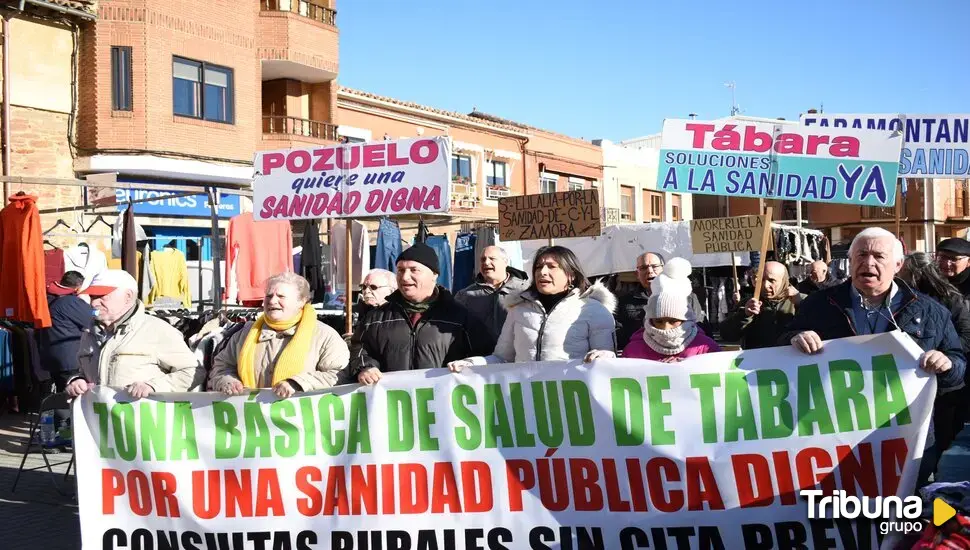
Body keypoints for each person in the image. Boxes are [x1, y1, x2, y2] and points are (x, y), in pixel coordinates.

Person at [783, 228, 966, 486]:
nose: (868, 263)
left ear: (898, 265)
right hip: (835, 443)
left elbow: (957, 367)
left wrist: (947, 364)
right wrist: (795, 338)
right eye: (861, 255)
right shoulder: (819, 304)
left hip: (905, 444)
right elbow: (781, 345)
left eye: (879, 256)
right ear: (850, 260)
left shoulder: (929, 311)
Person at [448, 246, 616, 370]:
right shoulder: (518, 309)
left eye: (551, 266)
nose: (542, 272)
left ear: (570, 274)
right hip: (526, 401)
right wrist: (471, 364)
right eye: (538, 267)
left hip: (571, 401)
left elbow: (604, 363)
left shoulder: (593, 310)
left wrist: (605, 356)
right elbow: (502, 358)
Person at [350, 243, 495, 385]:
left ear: (434, 275)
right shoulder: (376, 318)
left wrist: (467, 366)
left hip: (442, 403)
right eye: (400, 270)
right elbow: (360, 349)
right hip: (394, 404)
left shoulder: (461, 318)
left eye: (414, 270)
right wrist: (365, 368)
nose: (405, 277)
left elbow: (486, 357)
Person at [66, 270, 204, 398]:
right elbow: (83, 372)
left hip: (144, 422)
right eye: (92, 296)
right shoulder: (89, 332)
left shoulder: (157, 330)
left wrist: (154, 386)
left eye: (102, 296)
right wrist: (77, 381)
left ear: (128, 297)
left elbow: (193, 371)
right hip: (101, 422)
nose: (94, 303)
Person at [209, 273, 350, 398]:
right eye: (269, 296)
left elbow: (340, 374)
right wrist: (227, 380)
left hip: (303, 423)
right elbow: (221, 366)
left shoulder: (324, 335)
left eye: (281, 296)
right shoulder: (244, 334)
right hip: (252, 422)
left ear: (301, 301)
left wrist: (297, 383)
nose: (272, 301)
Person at [900, 252, 970, 454]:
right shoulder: (900, 299)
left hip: (943, 384)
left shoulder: (949, 299)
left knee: (940, 438)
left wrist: (943, 357)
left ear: (915, 273)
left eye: (903, 271)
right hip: (910, 383)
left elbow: (966, 336)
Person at [621, 258, 720, 362]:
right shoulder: (633, 350)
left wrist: (688, 366)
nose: (665, 327)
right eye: (658, 321)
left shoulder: (706, 347)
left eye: (673, 321)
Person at [38, 271, 91, 441]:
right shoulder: (70, 302)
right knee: (69, 397)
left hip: (52, 355)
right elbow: (93, 321)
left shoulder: (49, 299)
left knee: (61, 394)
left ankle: (52, 434)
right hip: (69, 357)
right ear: (78, 286)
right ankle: (58, 435)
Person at [615, 252, 706, 349]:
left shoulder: (687, 297)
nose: (649, 271)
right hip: (641, 356)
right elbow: (618, 335)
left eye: (655, 266)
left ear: (664, 269)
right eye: (643, 268)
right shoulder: (624, 301)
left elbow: (700, 329)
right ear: (637, 274)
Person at [720, 261, 803, 349]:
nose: (765, 285)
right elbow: (727, 335)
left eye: (772, 280)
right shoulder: (748, 303)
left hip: (793, 359)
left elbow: (814, 330)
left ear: (784, 281)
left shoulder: (800, 299)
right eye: (761, 280)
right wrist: (744, 314)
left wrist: (801, 305)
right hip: (758, 360)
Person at [454, 246, 530, 339]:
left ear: (505, 262)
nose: (486, 262)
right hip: (479, 352)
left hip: (516, 351)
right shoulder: (465, 295)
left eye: (492, 259)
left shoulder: (524, 290)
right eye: (483, 259)